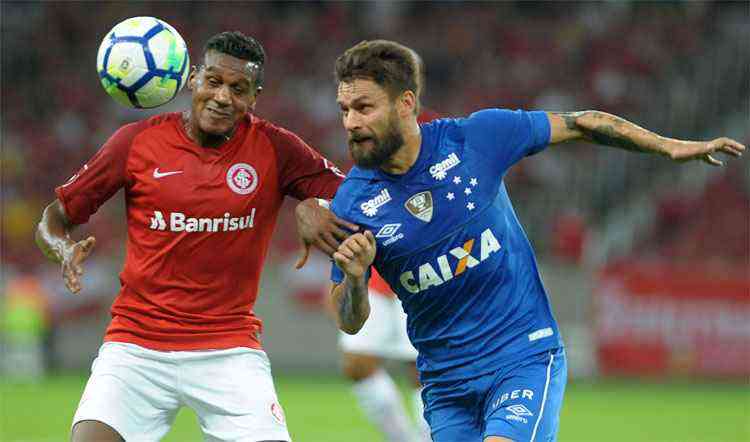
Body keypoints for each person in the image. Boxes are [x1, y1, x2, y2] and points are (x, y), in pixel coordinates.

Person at [322, 40, 745, 442]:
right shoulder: (353, 205)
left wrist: (668, 147)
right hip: (445, 383)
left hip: (520, 357)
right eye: (344, 110)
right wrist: (356, 280)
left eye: (363, 107)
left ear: (406, 103)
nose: (351, 123)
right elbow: (349, 321)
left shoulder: (476, 138)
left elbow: (582, 124)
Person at [36, 31, 355, 442]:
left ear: (254, 97)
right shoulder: (135, 143)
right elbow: (55, 216)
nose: (223, 97)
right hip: (136, 345)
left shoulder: (277, 149)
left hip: (229, 349)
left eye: (238, 89)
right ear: (192, 80)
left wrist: (317, 206)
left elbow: (358, 197)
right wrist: (62, 248)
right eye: (214, 82)